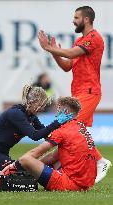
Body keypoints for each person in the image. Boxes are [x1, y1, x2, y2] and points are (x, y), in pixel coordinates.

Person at [38, 6, 111, 183]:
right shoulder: (80, 40)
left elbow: (71, 53)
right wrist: (55, 52)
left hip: (89, 92)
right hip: (78, 93)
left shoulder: (94, 38)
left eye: (77, 17)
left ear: (86, 19)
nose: (74, 20)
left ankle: (100, 161)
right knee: (74, 130)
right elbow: (67, 66)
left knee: (72, 127)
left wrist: (49, 48)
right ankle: (64, 165)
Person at [0, 85, 73, 191]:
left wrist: (64, 132)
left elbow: (46, 133)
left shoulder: (31, 116)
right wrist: (57, 122)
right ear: (33, 102)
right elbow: (35, 135)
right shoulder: (16, 114)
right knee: (25, 183)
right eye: (41, 105)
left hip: (2, 156)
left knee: (28, 178)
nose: (43, 108)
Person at [1, 97, 99, 191]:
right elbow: (53, 156)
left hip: (70, 184)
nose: (56, 113)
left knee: (25, 159)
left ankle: (17, 176)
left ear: (66, 112)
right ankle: (29, 175)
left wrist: (13, 166)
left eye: (58, 109)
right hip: (84, 185)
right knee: (54, 158)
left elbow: (34, 153)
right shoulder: (81, 129)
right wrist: (32, 169)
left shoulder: (63, 131)